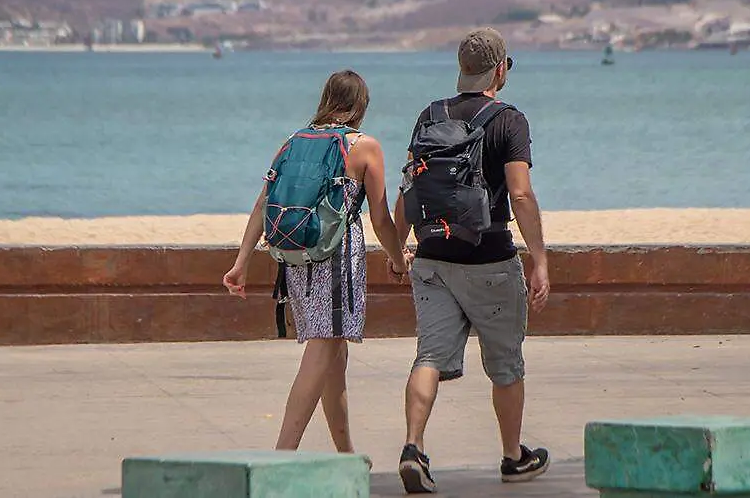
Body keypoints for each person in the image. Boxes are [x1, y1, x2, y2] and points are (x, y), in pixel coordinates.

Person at [390, 28, 551, 493]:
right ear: (500, 70)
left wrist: (398, 249)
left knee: (428, 356)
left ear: (462, 69)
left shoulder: (429, 115)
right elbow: (520, 194)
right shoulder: (509, 121)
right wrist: (540, 259)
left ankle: (413, 447)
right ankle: (513, 457)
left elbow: (409, 187)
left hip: (432, 258)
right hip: (490, 262)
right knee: (506, 365)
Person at [222, 69, 411, 453]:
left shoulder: (293, 142)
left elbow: (262, 204)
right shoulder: (365, 147)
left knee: (333, 359)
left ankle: (346, 455)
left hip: (296, 260)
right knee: (322, 351)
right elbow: (379, 219)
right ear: (360, 105)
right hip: (337, 260)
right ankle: (283, 455)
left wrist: (241, 262)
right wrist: (398, 260)